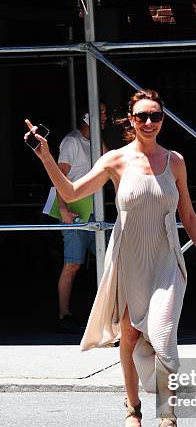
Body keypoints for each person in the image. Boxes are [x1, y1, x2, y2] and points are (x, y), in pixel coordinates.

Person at [25, 89, 196, 427]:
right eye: (142, 116)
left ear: (163, 120)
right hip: (129, 258)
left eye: (156, 116)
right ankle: (132, 411)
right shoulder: (115, 160)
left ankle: (168, 423)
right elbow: (69, 193)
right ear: (131, 121)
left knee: (164, 338)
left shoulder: (175, 161)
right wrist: (45, 155)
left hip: (166, 260)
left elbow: (189, 216)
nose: (150, 122)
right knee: (130, 334)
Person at [57, 104, 107, 333]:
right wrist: (63, 210)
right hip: (75, 210)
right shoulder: (72, 141)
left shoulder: (95, 142)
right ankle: (63, 314)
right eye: (101, 113)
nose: (105, 118)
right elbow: (59, 177)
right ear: (88, 116)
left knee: (106, 262)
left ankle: (105, 314)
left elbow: (109, 161)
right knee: (73, 263)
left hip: (94, 208)